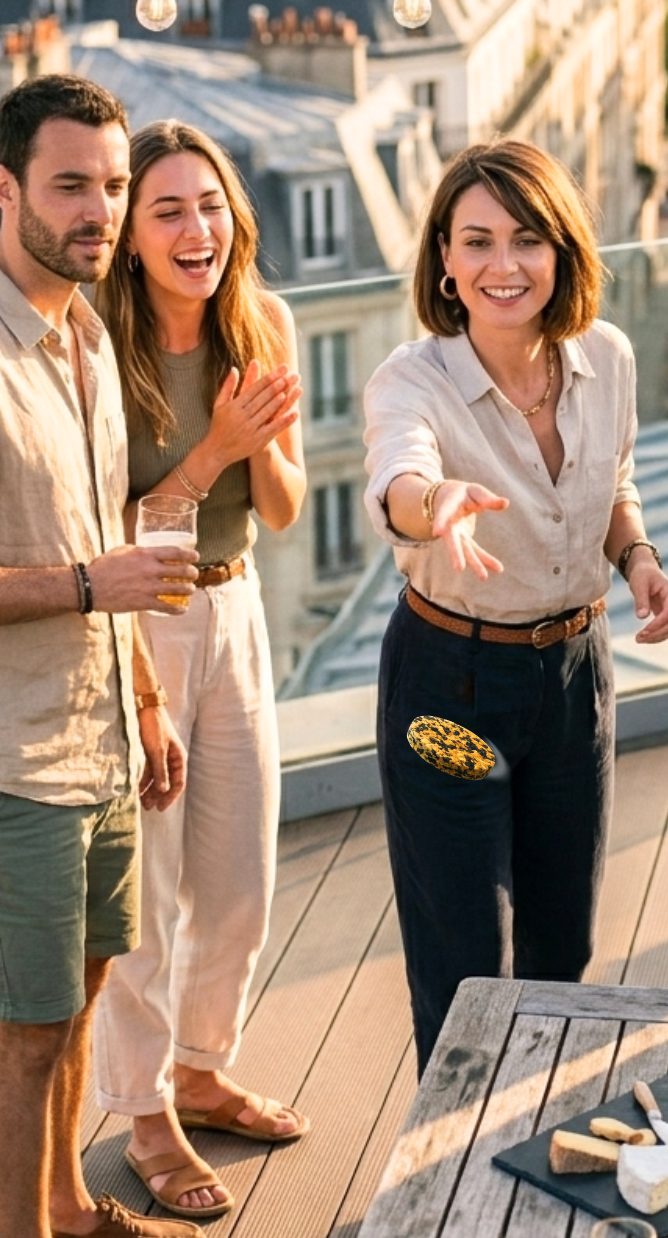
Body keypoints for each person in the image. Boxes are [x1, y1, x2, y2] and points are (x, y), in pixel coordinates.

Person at [363, 139, 668, 1074]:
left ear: (563, 253)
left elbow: (613, 479)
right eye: (478, 241)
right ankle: (452, 1175)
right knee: (466, 969)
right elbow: (398, 473)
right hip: (448, 684)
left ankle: (533, 1136)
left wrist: (638, 559)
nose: (505, 264)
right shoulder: (410, 379)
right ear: (446, 263)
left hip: (577, 673)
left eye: (528, 239)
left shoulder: (608, 357)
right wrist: (435, 505)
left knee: (563, 944)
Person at [0, 75, 204, 1238]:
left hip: (104, 738)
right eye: (72, 182)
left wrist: (146, 698)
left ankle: (72, 1207)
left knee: (78, 1000)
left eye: (115, 186)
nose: (101, 210)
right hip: (15, 758)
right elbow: (94, 566)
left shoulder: (87, 336)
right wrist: (90, 586)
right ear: (6, 187)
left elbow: (96, 534)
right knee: (23, 1032)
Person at [92, 121, 308, 1217]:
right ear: (130, 233)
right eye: (168, 208)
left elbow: (282, 507)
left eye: (210, 204)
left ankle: (199, 1064)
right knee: (151, 885)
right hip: (142, 626)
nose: (196, 228)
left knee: (237, 877)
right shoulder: (94, 341)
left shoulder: (263, 322)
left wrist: (260, 433)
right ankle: (142, 1109)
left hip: (237, 604)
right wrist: (216, 444)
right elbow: (99, 531)